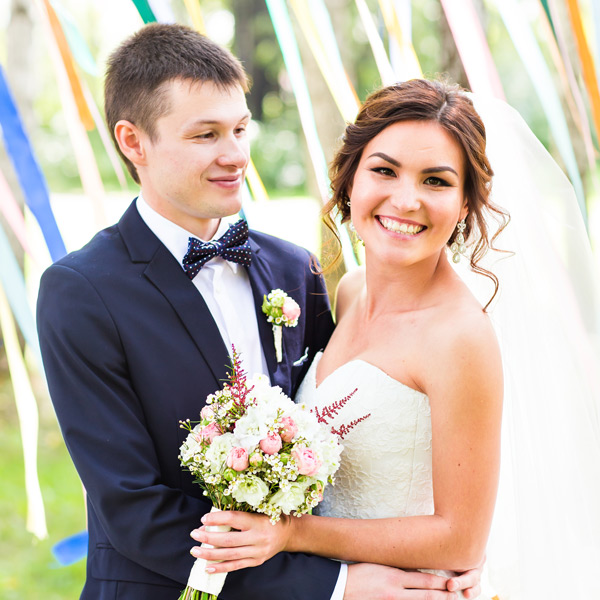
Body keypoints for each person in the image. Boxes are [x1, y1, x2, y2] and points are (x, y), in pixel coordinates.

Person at [36, 27, 481, 600]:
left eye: (240, 128)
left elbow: (362, 411)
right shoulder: (81, 291)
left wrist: (453, 549)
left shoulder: (294, 269)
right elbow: (133, 509)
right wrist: (337, 585)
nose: (236, 156)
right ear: (133, 141)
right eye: (206, 136)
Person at [188, 79, 600, 599]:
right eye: (384, 170)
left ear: (467, 203)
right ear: (350, 180)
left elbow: (460, 539)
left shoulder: (459, 339)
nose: (406, 201)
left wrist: (294, 533)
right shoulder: (352, 293)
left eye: (436, 181)